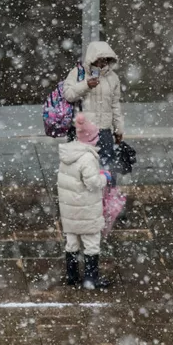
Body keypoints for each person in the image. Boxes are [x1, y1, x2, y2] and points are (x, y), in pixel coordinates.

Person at [57, 113, 113, 290]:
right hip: (86, 208)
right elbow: (92, 183)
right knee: (91, 243)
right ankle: (90, 278)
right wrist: (105, 177)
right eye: (96, 137)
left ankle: (72, 275)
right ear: (90, 139)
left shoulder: (68, 153)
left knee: (72, 241)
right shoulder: (88, 158)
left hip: (70, 208)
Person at [62, 41, 124, 175]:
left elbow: (115, 104)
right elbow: (68, 95)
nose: (102, 64)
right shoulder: (78, 73)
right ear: (91, 59)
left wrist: (119, 129)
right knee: (82, 170)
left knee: (106, 168)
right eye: (98, 60)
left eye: (105, 60)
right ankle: (85, 196)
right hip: (82, 131)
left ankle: (107, 195)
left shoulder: (112, 78)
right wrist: (86, 85)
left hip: (105, 131)